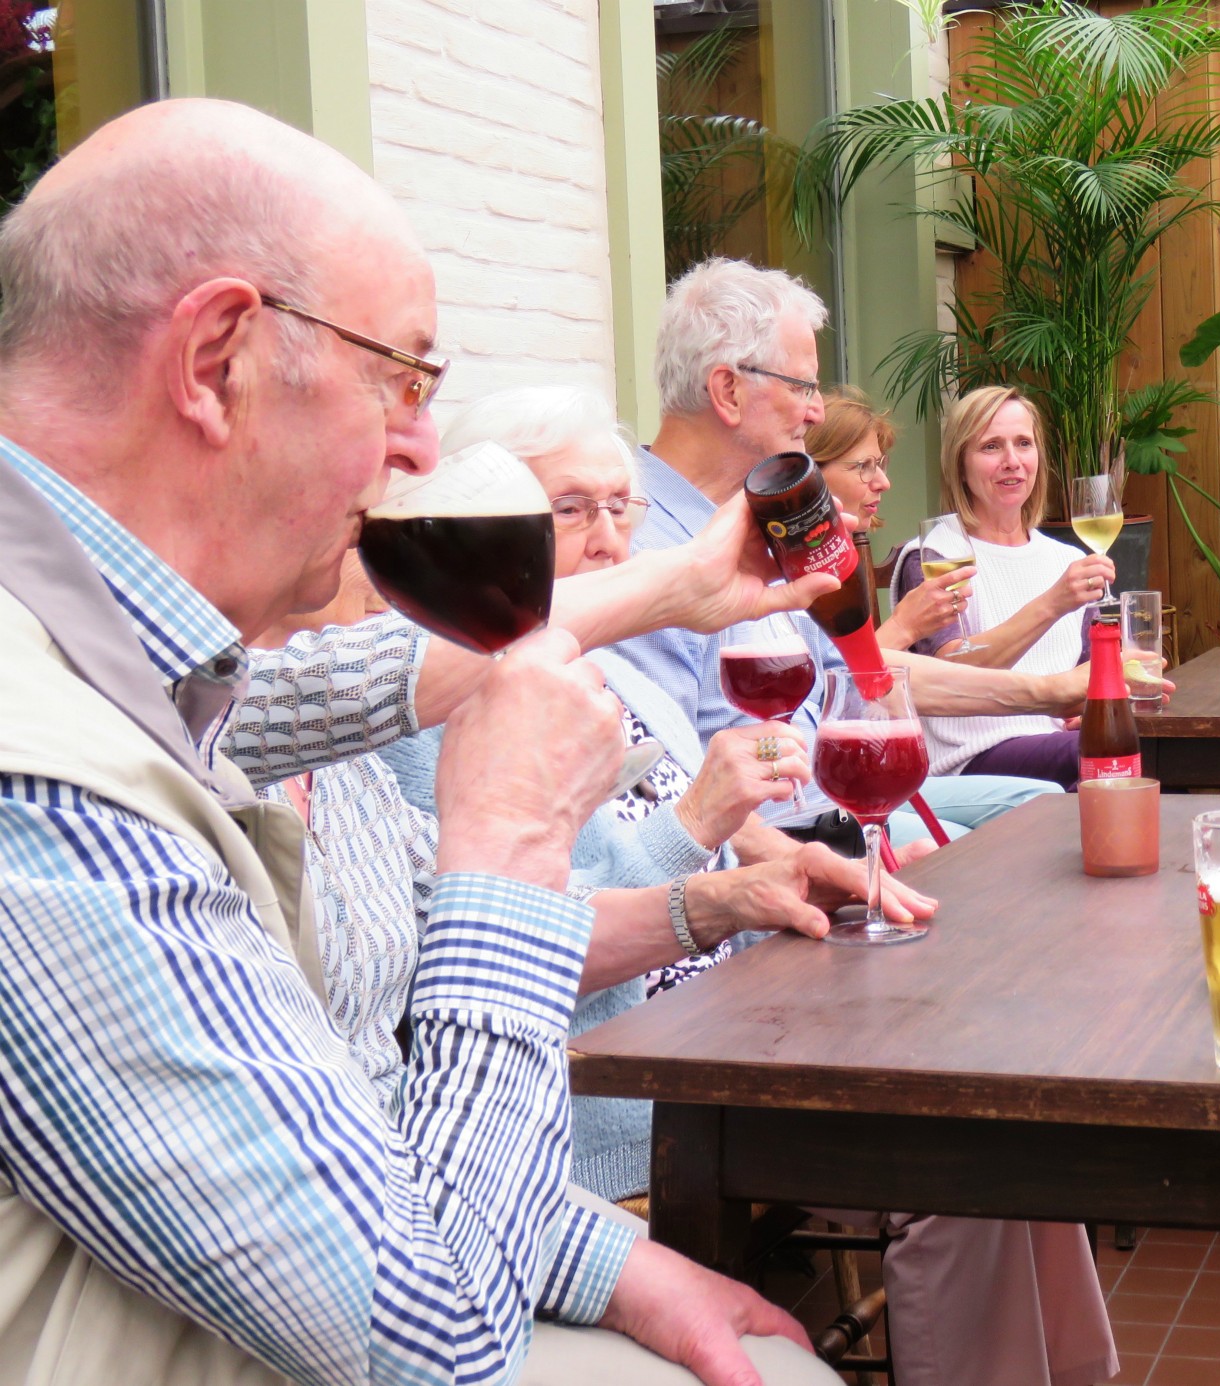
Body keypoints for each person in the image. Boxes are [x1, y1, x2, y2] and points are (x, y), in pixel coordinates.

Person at [0, 98, 836, 1386]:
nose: (423, 449)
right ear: (217, 358)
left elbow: (341, 1121)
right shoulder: (44, 785)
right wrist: (506, 845)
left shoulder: (135, 665)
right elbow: (429, 1341)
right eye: (401, 378)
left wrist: (613, 1262)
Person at [616, 258, 1118, 1386]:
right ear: (729, 386)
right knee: (978, 1115)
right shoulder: (642, 547)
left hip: (834, 857)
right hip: (757, 918)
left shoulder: (781, 519)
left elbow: (863, 689)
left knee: (1028, 1041)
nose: (815, 406)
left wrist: (877, 657)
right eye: (800, 384)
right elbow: (672, 786)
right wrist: (807, 862)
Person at [371, 384, 935, 1204]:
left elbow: (732, 848)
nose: (608, 543)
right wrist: (697, 822)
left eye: (620, 509)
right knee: (955, 1140)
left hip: (744, 1026)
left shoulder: (620, 673)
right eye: (570, 511)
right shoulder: (436, 717)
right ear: (486, 532)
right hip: (637, 1101)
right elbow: (515, 940)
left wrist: (813, 865)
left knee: (981, 1069)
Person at [886, 386, 1119, 789]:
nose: (1012, 461)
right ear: (960, 464)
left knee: (1141, 739)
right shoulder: (938, 554)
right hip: (968, 758)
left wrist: (1095, 701)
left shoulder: (1063, 559)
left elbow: (1091, 665)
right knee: (1107, 754)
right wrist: (1051, 604)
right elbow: (950, 674)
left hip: (1055, 742)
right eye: (991, 446)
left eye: (1023, 444)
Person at [806, 385, 969, 653]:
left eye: (880, 465)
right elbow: (829, 682)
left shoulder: (837, 561)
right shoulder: (776, 575)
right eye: (864, 466)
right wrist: (903, 627)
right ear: (811, 473)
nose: (884, 483)